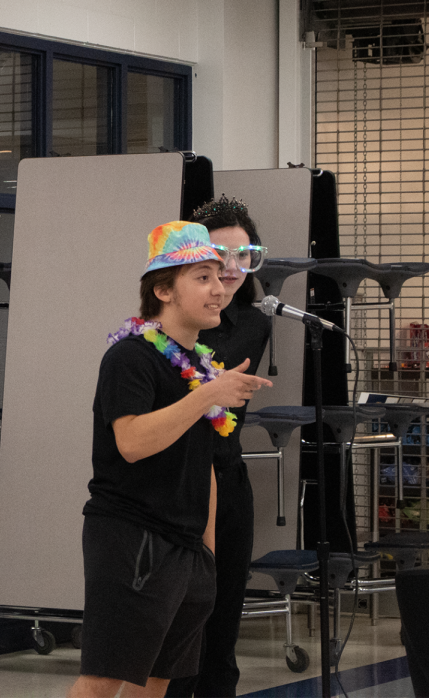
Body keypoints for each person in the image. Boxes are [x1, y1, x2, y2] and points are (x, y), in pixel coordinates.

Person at [68, 221, 273, 698]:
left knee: (159, 678)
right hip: (132, 537)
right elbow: (133, 442)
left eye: (219, 277)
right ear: (163, 289)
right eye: (202, 277)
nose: (219, 287)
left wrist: (208, 553)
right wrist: (209, 395)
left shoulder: (200, 364)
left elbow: (204, 463)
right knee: (105, 678)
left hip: (188, 547)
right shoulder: (130, 359)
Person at [166, 195, 271, 698]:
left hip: (227, 478)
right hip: (176, 482)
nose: (231, 270)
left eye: (243, 256)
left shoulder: (254, 322)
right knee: (177, 624)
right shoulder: (168, 323)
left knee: (224, 617)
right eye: (218, 258)